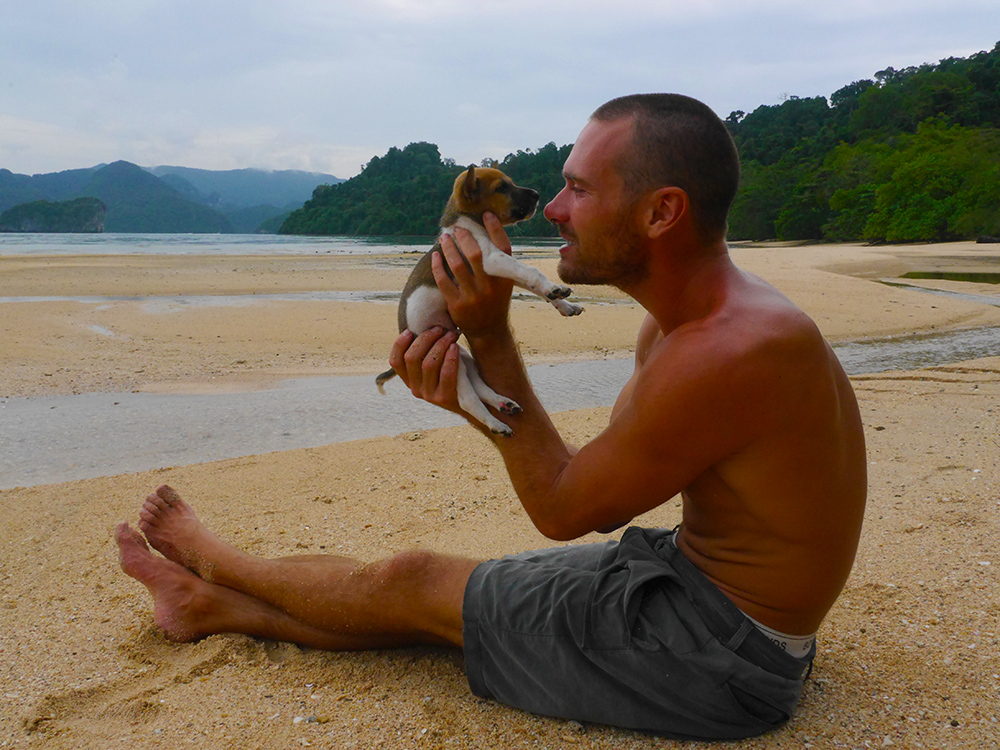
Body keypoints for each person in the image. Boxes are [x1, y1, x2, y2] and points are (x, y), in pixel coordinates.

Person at [116, 93, 867, 740]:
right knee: (429, 599)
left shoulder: (723, 352)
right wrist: (477, 366)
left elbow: (563, 508)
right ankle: (207, 605)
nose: (556, 208)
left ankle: (211, 561)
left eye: (579, 189)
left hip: (721, 658)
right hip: (694, 587)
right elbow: (603, 493)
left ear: (661, 211)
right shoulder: (694, 325)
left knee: (413, 581)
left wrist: (490, 338)